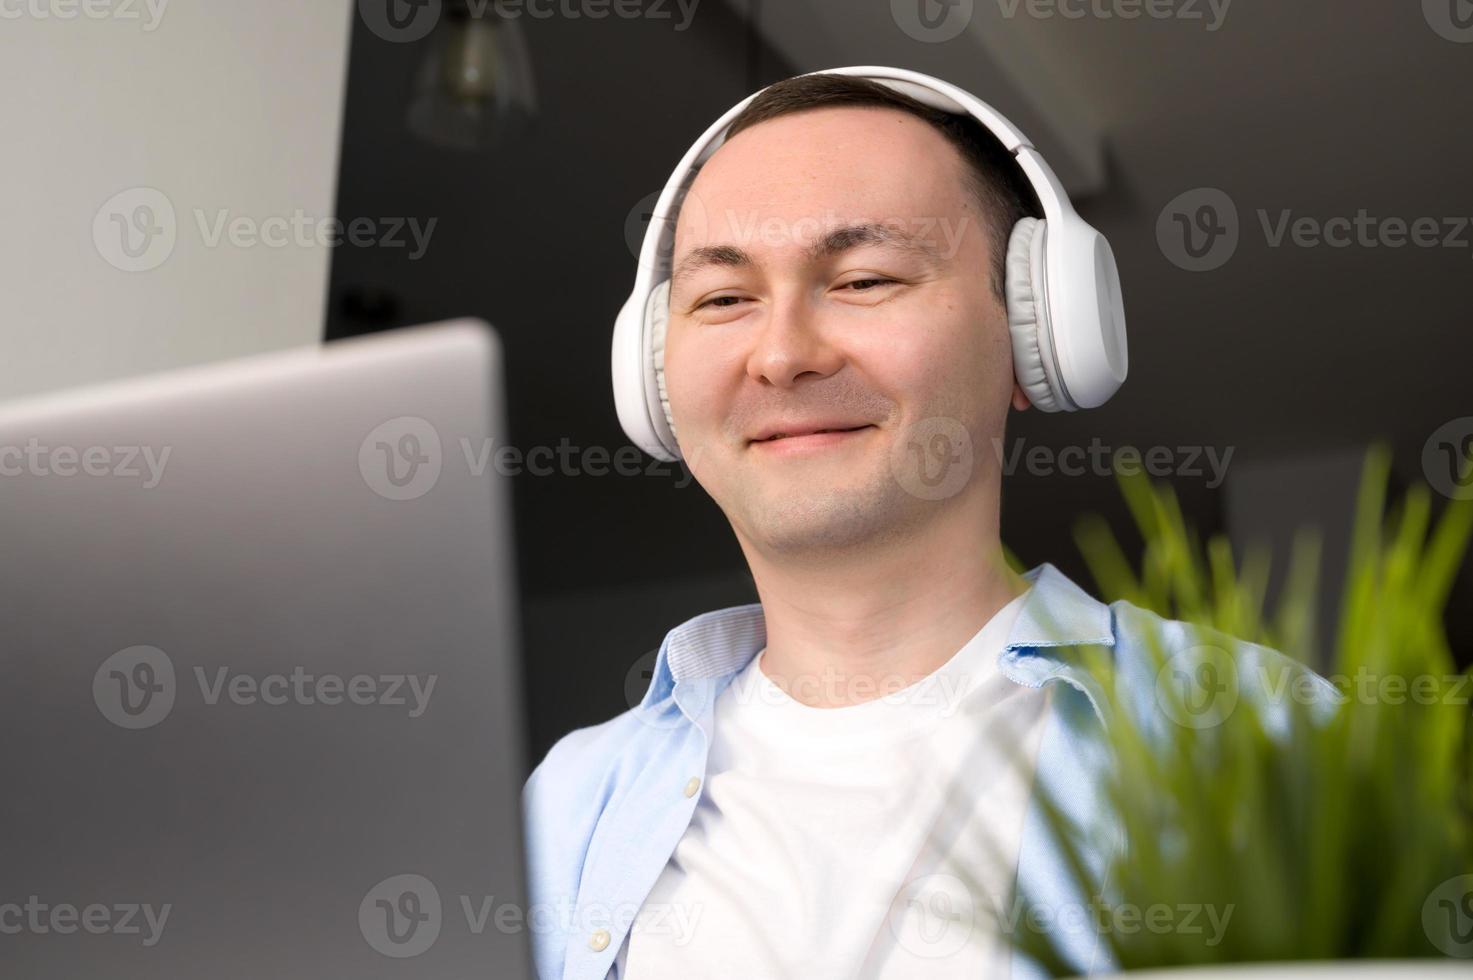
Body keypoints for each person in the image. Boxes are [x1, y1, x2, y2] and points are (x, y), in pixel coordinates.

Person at [522, 68, 1333, 980]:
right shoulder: (563, 807)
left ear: (1038, 335)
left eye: (863, 278)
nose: (783, 354)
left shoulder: (1269, 740)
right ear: (655, 380)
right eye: (722, 299)